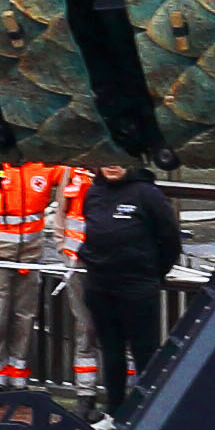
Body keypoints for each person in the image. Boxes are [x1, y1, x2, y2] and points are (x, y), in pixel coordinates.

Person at [80, 156, 179, 411]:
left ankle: (146, 410)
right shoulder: (93, 192)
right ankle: (113, 409)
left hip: (137, 286)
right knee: (111, 351)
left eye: (120, 160)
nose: (112, 164)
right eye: (108, 159)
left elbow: (170, 240)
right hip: (100, 285)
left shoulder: (148, 194)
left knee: (144, 351)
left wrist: (152, 274)